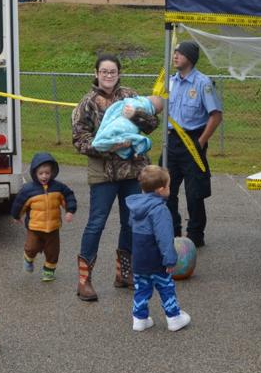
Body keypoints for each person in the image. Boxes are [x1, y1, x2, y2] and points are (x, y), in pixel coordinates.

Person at [71, 53, 158, 302]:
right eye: (104, 71)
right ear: (96, 73)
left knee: (131, 221)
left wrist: (135, 116)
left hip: (132, 171)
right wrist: (108, 146)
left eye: (113, 71)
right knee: (96, 223)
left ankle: (124, 273)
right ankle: (84, 280)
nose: (108, 75)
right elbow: (79, 139)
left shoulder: (130, 97)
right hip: (103, 172)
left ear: (119, 74)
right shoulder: (87, 103)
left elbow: (152, 123)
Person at [165, 40, 223, 248]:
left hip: (193, 142)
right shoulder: (170, 82)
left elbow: (215, 116)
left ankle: (195, 235)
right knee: (165, 190)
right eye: (175, 52)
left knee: (194, 192)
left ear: (190, 57)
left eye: (179, 53)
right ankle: (172, 231)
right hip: (171, 142)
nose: (175, 56)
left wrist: (200, 142)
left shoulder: (202, 83)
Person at [126, 165, 192, 332]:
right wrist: (170, 259)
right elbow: (164, 237)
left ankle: (139, 319)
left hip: (139, 257)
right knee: (165, 287)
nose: (169, 189)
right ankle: (174, 317)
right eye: (169, 186)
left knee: (142, 288)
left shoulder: (135, 206)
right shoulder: (160, 209)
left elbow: (130, 225)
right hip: (156, 258)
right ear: (161, 190)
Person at [11, 152, 78, 282]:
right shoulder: (28, 190)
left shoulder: (58, 187)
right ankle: (28, 258)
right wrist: (16, 215)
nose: (44, 176)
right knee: (32, 248)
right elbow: (19, 203)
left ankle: (48, 271)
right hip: (35, 227)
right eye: (41, 173)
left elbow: (69, 197)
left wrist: (70, 211)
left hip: (53, 228)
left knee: (53, 251)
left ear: (52, 172)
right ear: (35, 173)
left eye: (47, 173)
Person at [92, 94, 166, 158]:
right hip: (101, 162)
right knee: (109, 133)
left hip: (131, 164)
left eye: (114, 75)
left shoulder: (130, 95)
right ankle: (105, 140)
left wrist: (135, 114)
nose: (109, 76)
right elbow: (81, 136)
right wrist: (110, 148)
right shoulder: (89, 100)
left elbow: (153, 124)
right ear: (97, 76)